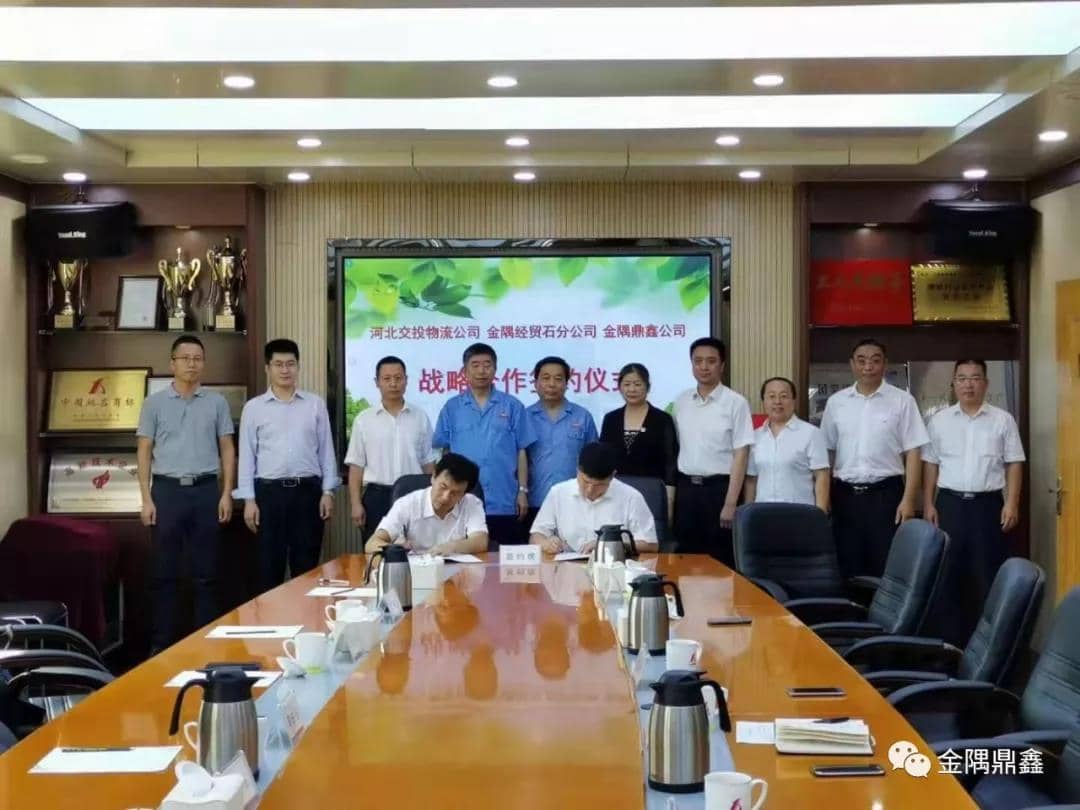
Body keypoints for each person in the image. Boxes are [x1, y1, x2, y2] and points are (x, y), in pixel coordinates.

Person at [136, 335, 235, 652]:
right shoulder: (154, 404)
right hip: (167, 492)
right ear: (173, 363)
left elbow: (227, 448)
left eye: (198, 359)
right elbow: (144, 451)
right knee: (164, 574)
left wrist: (226, 493)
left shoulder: (216, 402)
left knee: (207, 574)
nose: (192, 364)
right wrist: (146, 499)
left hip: (206, 491)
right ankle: (161, 646)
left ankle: (208, 645)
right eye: (186, 358)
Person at [922, 360, 1025, 645]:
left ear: (985, 384)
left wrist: (1012, 503)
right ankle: (948, 645)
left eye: (975, 378)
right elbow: (930, 464)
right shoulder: (939, 421)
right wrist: (928, 503)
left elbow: (1014, 463)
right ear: (954, 383)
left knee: (986, 574)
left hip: (987, 507)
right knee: (947, 573)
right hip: (950, 505)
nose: (968, 384)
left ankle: (985, 647)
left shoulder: (1002, 420)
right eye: (962, 378)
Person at [235, 339, 340, 589]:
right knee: (268, 569)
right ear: (267, 368)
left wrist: (328, 492)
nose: (285, 370)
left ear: (298, 367)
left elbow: (326, 451)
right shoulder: (254, 408)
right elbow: (247, 457)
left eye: (290, 364)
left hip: (308, 493)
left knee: (307, 569)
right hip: (268, 495)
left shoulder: (315, 404)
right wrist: (249, 500)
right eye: (278, 364)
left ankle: (306, 615)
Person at [820, 338, 929, 578]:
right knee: (846, 563)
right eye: (861, 361)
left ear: (884, 364)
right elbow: (827, 452)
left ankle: (883, 605)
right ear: (852, 364)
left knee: (885, 563)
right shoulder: (836, 403)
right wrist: (824, 496)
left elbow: (913, 452)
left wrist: (909, 499)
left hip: (886, 495)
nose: (868, 366)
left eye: (875, 360)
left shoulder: (902, 401)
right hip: (845, 495)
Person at [433, 343, 536, 547]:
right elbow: (445, 452)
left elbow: (521, 451)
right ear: (464, 371)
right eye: (475, 365)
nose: (482, 371)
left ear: (495, 370)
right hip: (461, 500)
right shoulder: (452, 408)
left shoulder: (512, 406)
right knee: (463, 558)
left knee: (505, 559)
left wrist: (522, 491)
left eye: (487, 365)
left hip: (503, 498)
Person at [671, 338, 754, 565]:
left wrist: (731, 502)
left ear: (722, 365)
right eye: (698, 361)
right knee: (686, 558)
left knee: (721, 559)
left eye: (711, 361)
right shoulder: (681, 401)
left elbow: (741, 454)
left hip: (719, 490)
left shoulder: (736, 403)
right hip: (687, 489)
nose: (704, 367)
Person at [345, 355, 436, 541]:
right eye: (387, 378)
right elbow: (356, 466)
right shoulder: (364, 420)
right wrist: (355, 504)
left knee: (416, 549)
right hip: (376, 497)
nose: (393, 383)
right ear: (377, 382)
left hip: (413, 496)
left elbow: (428, 463)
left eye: (398, 378)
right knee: (376, 551)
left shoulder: (420, 417)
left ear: (406, 380)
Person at [530, 442, 658, 554]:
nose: (590, 490)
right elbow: (536, 536)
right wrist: (546, 543)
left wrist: (607, 545)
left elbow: (651, 545)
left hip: (614, 568)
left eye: (599, 485)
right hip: (568, 568)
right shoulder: (558, 493)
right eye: (585, 482)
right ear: (578, 470)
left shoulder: (631, 497)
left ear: (612, 476)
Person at [364, 453, 488, 555]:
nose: (445, 497)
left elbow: (481, 541)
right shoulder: (407, 504)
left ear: (464, 494)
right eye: (443, 487)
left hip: (458, 573)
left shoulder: (471, 503)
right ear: (433, 477)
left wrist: (452, 547)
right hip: (415, 572)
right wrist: (396, 551)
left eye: (455, 493)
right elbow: (372, 544)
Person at [599, 363, 678, 521]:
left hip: (651, 494)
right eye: (627, 384)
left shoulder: (662, 419)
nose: (632, 389)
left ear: (647, 387)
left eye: (637, 384)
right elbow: (604, 458)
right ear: (619, 387)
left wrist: (669, 500)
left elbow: (670, 462)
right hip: (616, 493)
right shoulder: (611, 419)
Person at [525, 355, 599, 522]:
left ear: (566, 383)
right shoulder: (524, 417)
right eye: (545, 378)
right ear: (535, 383)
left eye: (558, 379)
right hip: (535, 501)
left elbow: (594, 460)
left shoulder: (582, 416)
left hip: (576, 502)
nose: (552, 384)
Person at [744, 376, 830, 511]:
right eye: (771, 396)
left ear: (793, 401)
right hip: (762, 514)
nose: (777, 401)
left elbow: (821, 476)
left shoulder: (811, 433)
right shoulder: (755, 436)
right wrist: (747, 512)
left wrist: (821, 513)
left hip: (800, 514)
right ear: (763, 401)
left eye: (784, 396)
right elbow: (751, 480)